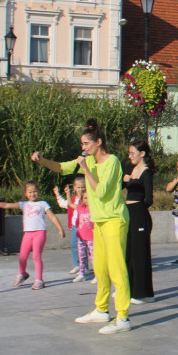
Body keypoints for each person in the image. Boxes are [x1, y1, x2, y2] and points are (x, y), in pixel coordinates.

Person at [31, 118, 132, 334]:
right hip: (100, 222)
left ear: (98, 142)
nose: (83, 148)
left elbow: (101, 191)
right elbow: (60, 167)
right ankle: (102, 310)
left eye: (86, 144)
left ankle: (123, 317)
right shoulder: (90, 161)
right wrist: (42, 160)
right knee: (101, 268)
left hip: (114, 220)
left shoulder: (112, 161)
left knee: (117, 268)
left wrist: (85, 169)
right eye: (82, 145)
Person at [0, 181, 65, 289]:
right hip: (28, 234)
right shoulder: (24, 204)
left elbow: (52, 216)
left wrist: (60, 229)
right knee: (22, 256)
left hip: (40, 233)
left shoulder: (43, 204)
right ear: (26, 193)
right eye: (30, 192)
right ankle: (22, 273)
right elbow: (7, 205)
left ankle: (39, 280)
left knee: (36, 256)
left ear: (39, 192)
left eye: (35, 191)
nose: (32, 194)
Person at [123, 140, 156, 304]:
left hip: (139, 213)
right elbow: (120, 186)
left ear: (141, 154)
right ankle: (128, 288)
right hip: (128, 213)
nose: (130, 156)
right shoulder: (129, 169)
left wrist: (134, 182)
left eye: (132, 153)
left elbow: (149, 198)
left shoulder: (146, 172)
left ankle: (142, 292)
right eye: (129, 153)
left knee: (140, 253)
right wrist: (125, 180)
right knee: (128, 252)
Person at [53, 174, 87, 279]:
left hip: (85, 226)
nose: (80, 189)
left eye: (83, 187)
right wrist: (57, 194)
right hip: (75, 227)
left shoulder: (87, 199)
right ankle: (76, 265)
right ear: (74, 188)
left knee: (84, 247)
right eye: (78, 187)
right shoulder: (72, 199)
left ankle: (84, 267)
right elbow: (63, 203)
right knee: (74, 245)